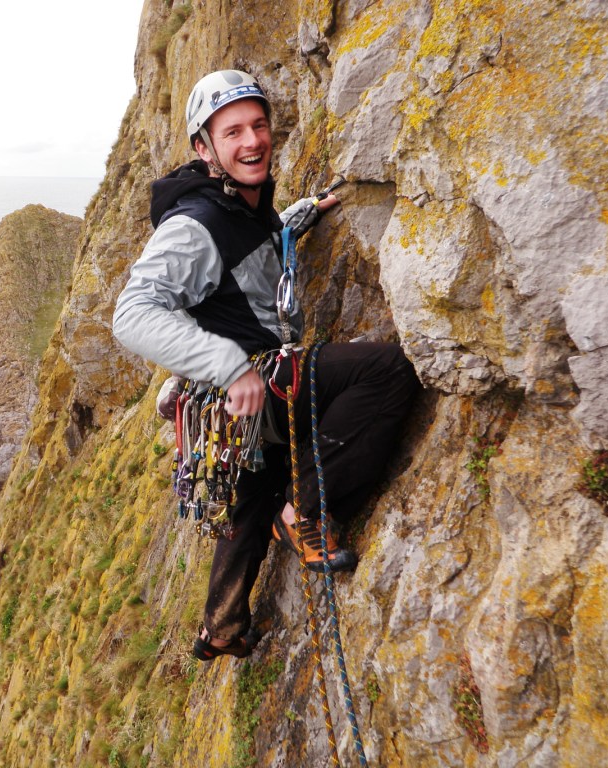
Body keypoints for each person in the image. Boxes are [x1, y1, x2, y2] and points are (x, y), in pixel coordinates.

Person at [112, 70, 419, 661]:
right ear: (205, 150)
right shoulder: (195, 225)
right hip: (253, 378)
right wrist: (228, 365)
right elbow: (132, 313)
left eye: (258, 125)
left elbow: (252, 250)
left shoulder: (240, 203)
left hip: (237, 404)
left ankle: (221, 627)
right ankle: (304, 512)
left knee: (251, 491)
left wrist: (298, 217)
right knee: (385, 371)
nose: (252, 141)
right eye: (233, 133)